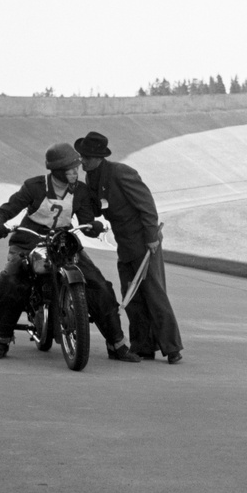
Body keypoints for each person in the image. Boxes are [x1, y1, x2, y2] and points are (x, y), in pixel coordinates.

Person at [0, 142, 140, 363]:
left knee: (100, 286)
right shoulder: (35, 186)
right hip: (29, 241)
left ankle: (116, 344)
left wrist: (93, 226)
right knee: (9, 281)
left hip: (63, 242)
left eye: (77, 167)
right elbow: (6, 210)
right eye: (72, 168)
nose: (77, 171)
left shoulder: (81, 191)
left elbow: (86, 220)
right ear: (58, 171)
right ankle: (1, 338)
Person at [75, 131, 184, 364]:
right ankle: (143, 346)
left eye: (86, 157)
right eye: (81, 156)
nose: (82, 161)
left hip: (144, 243)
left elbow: (146, 205)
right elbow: (97, 209)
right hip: (124, 244)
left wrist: (152, 237)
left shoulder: (121, 173)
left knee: (154, 295)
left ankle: (172, 348)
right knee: (132, 297)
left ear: (98, 157)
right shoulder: (91, 178)